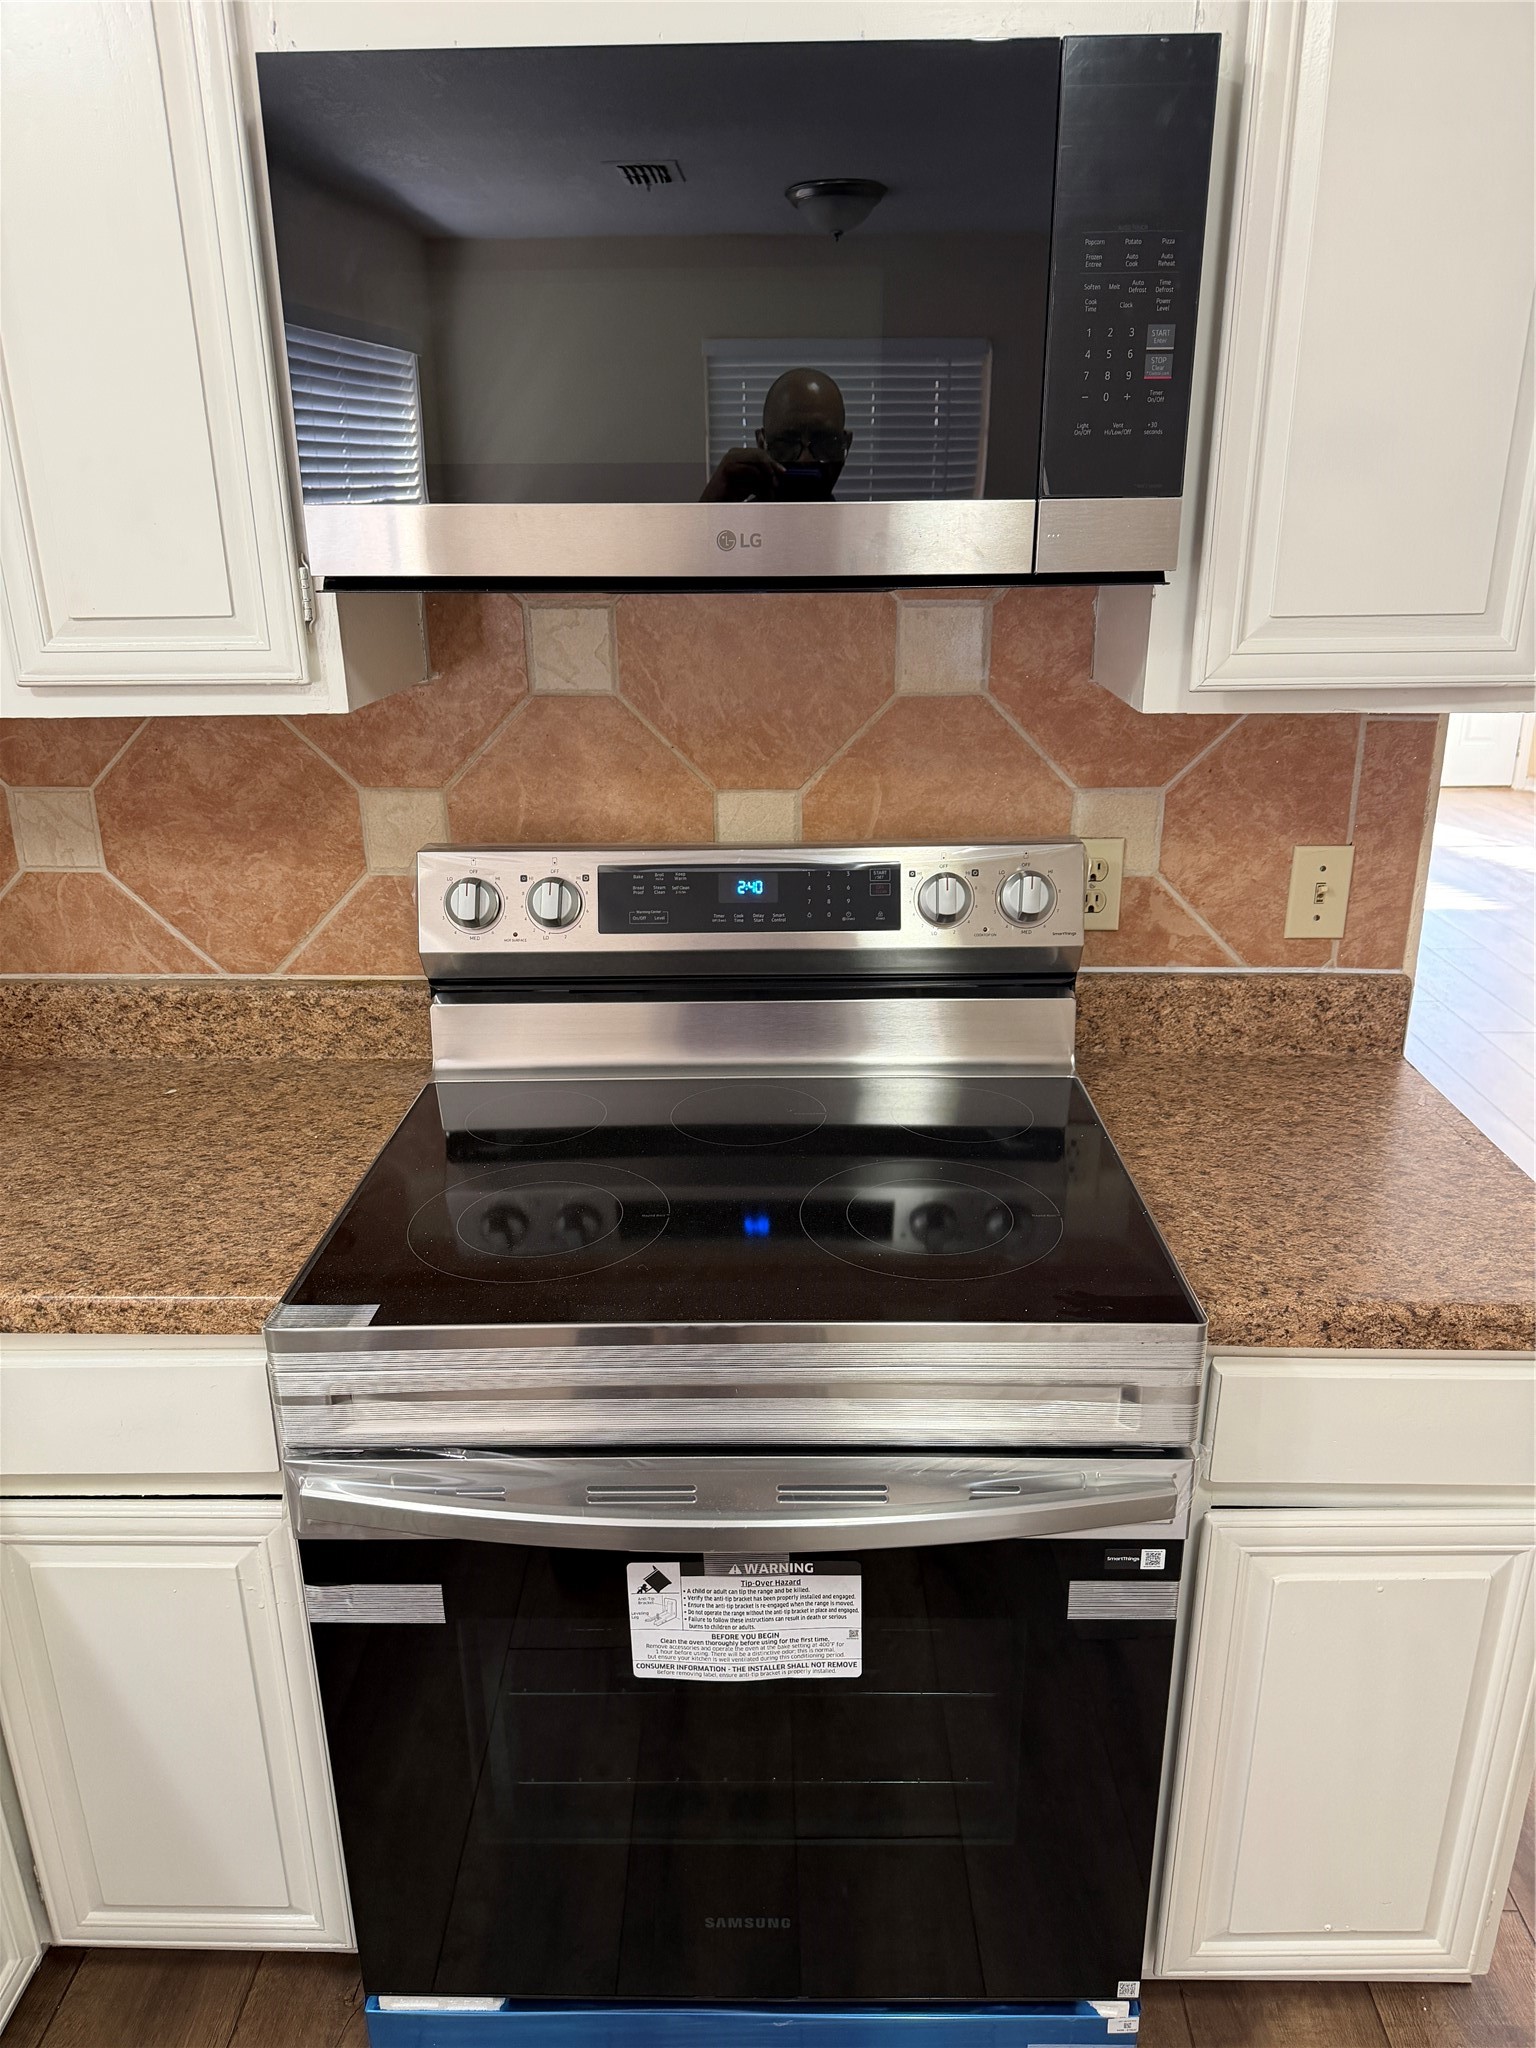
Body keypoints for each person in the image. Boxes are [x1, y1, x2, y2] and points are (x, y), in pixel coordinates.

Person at [701, 366, 853, 502]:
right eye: (787, 442)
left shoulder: (860, 523)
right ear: (762, 443)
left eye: (824, 442)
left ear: (846, 444)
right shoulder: (732, 519)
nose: (805, 460)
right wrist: (709, 509)